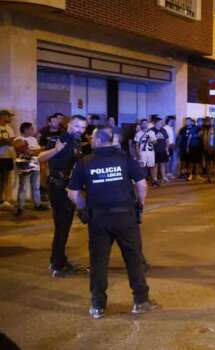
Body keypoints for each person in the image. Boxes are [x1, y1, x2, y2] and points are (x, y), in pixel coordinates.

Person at [67, 127, 157, 319]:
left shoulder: (84, 162)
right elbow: (141, 184)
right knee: (134, 259)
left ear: (98, 140)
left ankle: (98, 306)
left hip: (98, 219)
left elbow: (73, 193)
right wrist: (140, 204)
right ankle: (141, 301)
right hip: (125, 216)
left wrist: (84, 208)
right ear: (111, 140)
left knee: (98, 261)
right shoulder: (125, 158)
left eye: (92, 137)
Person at [38, 114, 87, 277]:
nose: (81, 130)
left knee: (65, 226)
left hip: (68, 187)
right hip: (58, 187)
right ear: (69, 125)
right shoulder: (59, 139)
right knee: (61, 226)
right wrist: (56, 150)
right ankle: (57, 265)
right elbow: (40, 157)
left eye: (83, 127)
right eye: (78, 126)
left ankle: (60, 260)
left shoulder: (76, 142)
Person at [14, 122, 46, 215]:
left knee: (36, 186)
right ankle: (20, 207)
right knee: (22, 186)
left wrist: (35, 151)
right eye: (31, 129)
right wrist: (35, 151)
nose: (33, 130)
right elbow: (30, 152)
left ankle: (37, 204)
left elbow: (38, 152)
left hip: (35, 165)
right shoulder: (18, 139)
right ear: (25, 130)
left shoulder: (33, 139)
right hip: (24, 166)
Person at [0, 110, 16, 209]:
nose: (10, 118)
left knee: (6, 179)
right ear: (3, 116)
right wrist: (5, 141)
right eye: (9, 116)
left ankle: (4, 200)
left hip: (8, 156)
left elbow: (13, 141)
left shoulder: (9, 128)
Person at [134, 119, 158, 186]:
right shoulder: (138, 133)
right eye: (143, 123)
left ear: (147, 124)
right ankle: (142, 181)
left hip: (150, 152)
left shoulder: (152, 132)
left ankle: (154, 180)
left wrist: (151, 140)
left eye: (146, 123)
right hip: (142, 153)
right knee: (142, 167)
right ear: (141, 124)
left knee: (152, 166)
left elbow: (155, 142)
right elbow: (136, 145)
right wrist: (138, 154)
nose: (144, 124)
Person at [152, 118, 169, 185]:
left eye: (162, 122)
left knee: (163, 164)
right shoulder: (151, 130)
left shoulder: (163, 130)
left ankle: (163, 177)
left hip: (163, 150)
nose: (161, 123)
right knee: (155, 165)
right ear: (156, 123)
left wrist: (167, 148)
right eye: (160, 122)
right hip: (154, 151)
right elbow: (149, 141)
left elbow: (167, 140)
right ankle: (155, 178)